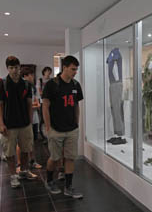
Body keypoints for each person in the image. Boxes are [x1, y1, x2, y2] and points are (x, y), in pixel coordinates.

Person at [42, 55, 83, 198]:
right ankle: (49, 180)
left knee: (70, 158)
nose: (75, 72)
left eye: (76, 69)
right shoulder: (51, 84)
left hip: (72, 129)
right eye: (73, 69)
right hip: (55, 129)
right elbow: (45, 107)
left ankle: (68, 186)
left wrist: (77, 123)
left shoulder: (76, 85)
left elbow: (76, 105)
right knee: (54, 158)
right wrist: (48, 128)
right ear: (64, 67)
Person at [0, 56, 37, 188]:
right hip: (9, 124)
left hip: (24, 123)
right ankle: (13, 175)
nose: (14, 70)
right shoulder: (3, 84)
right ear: (7, 69)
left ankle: (24, 171)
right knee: (10, 153)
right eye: (11, 68)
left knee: (26, 149)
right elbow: (0, 105)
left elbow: (29, 104)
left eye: (16, 67)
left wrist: (30, 122)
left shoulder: (26, 84)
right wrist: (2, 123)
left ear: (20, 67)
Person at [21, 66, 42, 170]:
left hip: (34, 118)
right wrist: (33, 105)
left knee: (32, 140)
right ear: (25, 76)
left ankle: (32, 161)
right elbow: (25, 105)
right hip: (25, 119)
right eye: (31, 75)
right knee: (23, 142)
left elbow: (36, 103)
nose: (33, 77)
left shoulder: (32, 87)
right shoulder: (22, 86)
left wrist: (34, 105)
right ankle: (21, 165)